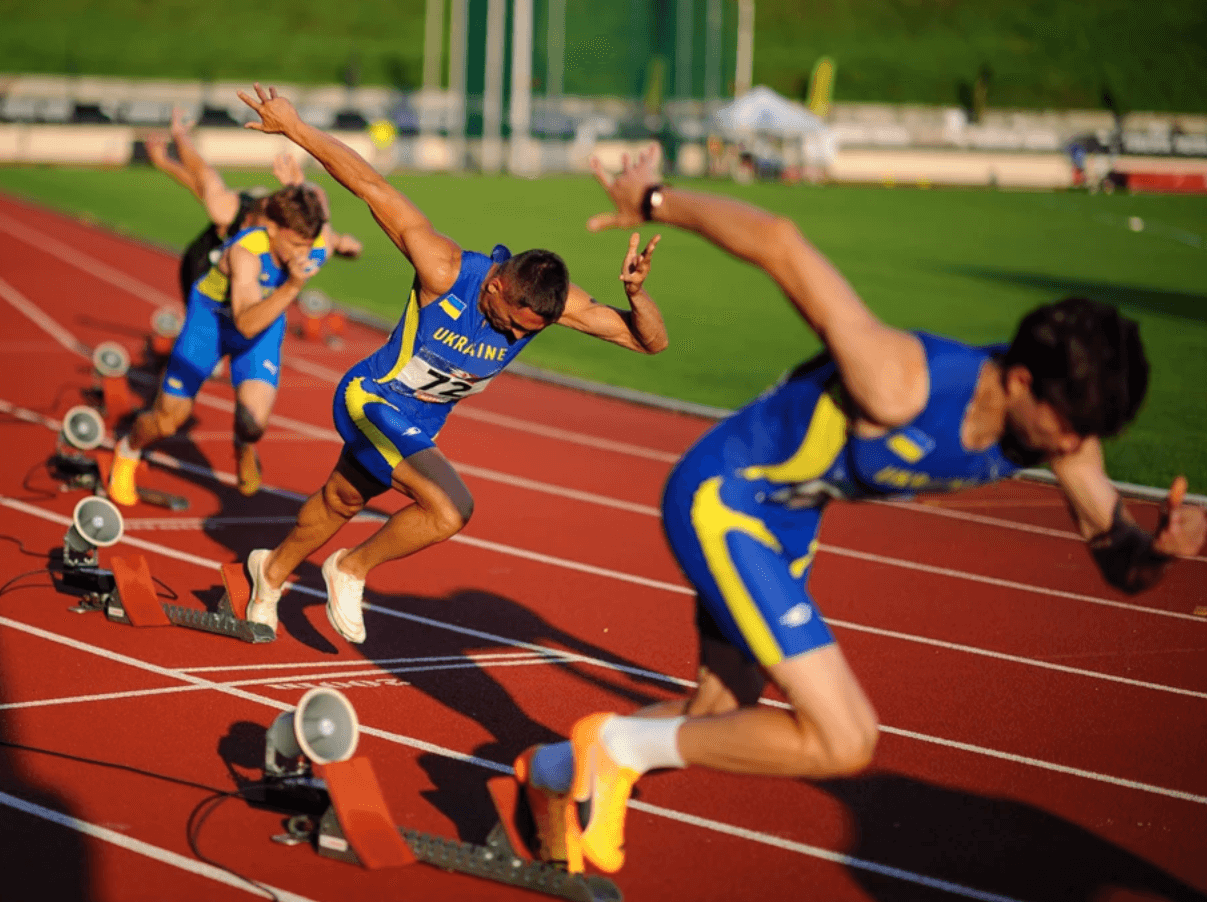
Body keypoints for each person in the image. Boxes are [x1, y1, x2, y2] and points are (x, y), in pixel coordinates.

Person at [514, 145, 1207, 875]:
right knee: (844, 739)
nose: (1076, 444)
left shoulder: (1064, 436)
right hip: (725, 496)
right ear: (1026, 381)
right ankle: (614, 749)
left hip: (785, 522)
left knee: (719, 716)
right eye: (1071, 425)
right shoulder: (898, 381)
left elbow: (1116, 557)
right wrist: (655, 201)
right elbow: (781, 244)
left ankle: (553, 771)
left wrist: (1156, 553)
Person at [234, 83, 670, 644]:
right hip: (372, 398)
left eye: (526, 333)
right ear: (493, 285)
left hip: (420, 421)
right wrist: (296, 128)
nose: (513, 336)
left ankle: (267, 574)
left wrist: (636, 296)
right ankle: (349, 569)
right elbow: (371, 186)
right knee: (450, 509)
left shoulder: (557, 306)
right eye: (512, 322)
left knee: (341, 498)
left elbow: (648, 343)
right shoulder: (442, 270)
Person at [107, 180, 339, 503]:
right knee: (167, 421)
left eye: (307, 244)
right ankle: (128, 449)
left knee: (253, 424)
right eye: (296, 244)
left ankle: (243, 442)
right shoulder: (245, 254)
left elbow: (326, 232)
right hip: (211, 324)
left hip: (264, 328)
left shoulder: (311, 246)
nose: (303, 255)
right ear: (272, 229)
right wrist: (292, 288)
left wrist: (308, 193)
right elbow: (245, 323)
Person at [144, 106, 362, 305]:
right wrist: (180, 138)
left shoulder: (308, 231)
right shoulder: (229, 211)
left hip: (253, 282)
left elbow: (340, 244)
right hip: (205, 269)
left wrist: (347, 246)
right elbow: (203, 177)